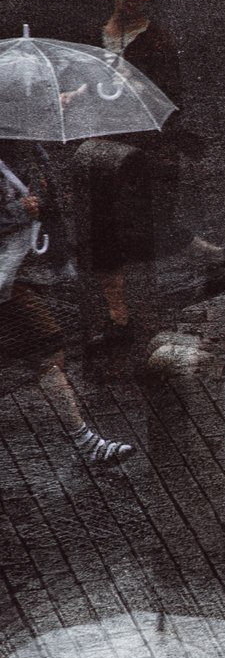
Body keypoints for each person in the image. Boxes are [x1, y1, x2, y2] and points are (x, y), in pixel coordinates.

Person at [79, 0, 225, 348]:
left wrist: (136, 86)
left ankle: (215, 258)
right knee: (103, 232)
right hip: (100, 143)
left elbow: (172, 100)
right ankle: (120, 319)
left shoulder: (158, 41)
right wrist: (76, 93)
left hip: (142, 148)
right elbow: (83, 78)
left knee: (148, 227)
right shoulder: (93, 35)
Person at [0, 156, 134, 470]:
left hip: (20, 271)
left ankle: (86, 442)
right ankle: (86, 442)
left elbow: (49, 200)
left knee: (48, 356)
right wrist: (20, 211)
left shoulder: (25, 146)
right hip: (8, 279)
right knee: (48, 354)